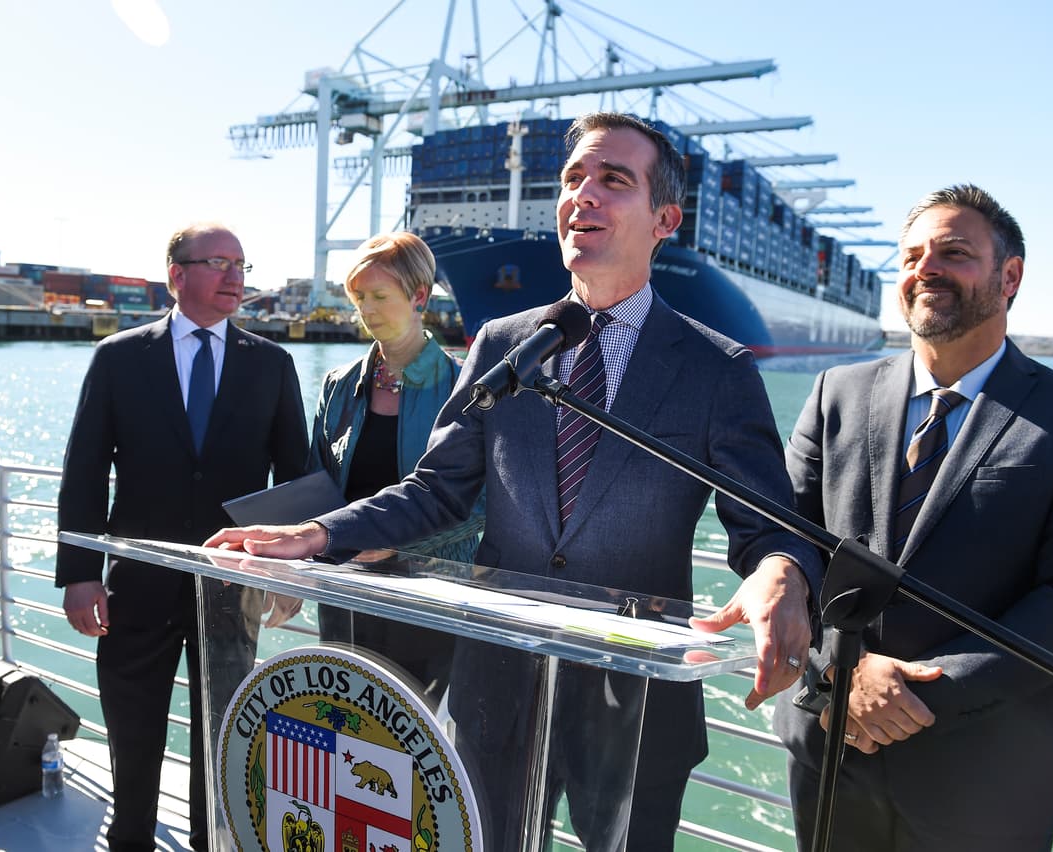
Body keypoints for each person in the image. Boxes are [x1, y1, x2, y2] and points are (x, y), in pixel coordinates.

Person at [208, 112, 821, 850]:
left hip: (637, 700)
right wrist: (315, 534)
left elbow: (768, 524)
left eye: (612, 180)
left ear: (666, 219)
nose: (581, 196)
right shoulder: (505, 343)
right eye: (572, 180)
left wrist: (781, 570)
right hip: (496, 686)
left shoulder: (715, 369)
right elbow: (437, 489)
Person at [772, 185, 1053, 851]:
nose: (924, 269)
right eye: (911, 256)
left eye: (953, 253)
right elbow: (786, 541)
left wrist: (917, 693)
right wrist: (846, 671)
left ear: (1009, 275)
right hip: (829, 752)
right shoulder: (836, 393)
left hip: (985, 778)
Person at [55, 222, 309, 852]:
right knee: (131, 715)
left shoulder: (272, 365)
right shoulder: (118, 357)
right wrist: (80, 571)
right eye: (218, 263)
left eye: (242, 266)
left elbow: (297, 476)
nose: (234, 278)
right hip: (137, 577)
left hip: (231, 582)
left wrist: (292, 572)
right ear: (176, 274)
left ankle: (210, 840)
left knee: (222, 722)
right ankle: (132, 834)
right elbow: (84, 469)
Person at [309, 231, 484, 695]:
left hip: (430, 593)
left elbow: (485, 502)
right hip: (344, 585)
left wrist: (397, 546)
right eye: (358, 297)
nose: (366, 310)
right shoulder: (338, 385)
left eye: (380, 296)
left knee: (407, 733)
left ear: (418, 296)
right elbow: (315, 481)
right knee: (343, 722)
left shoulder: (464, 386)